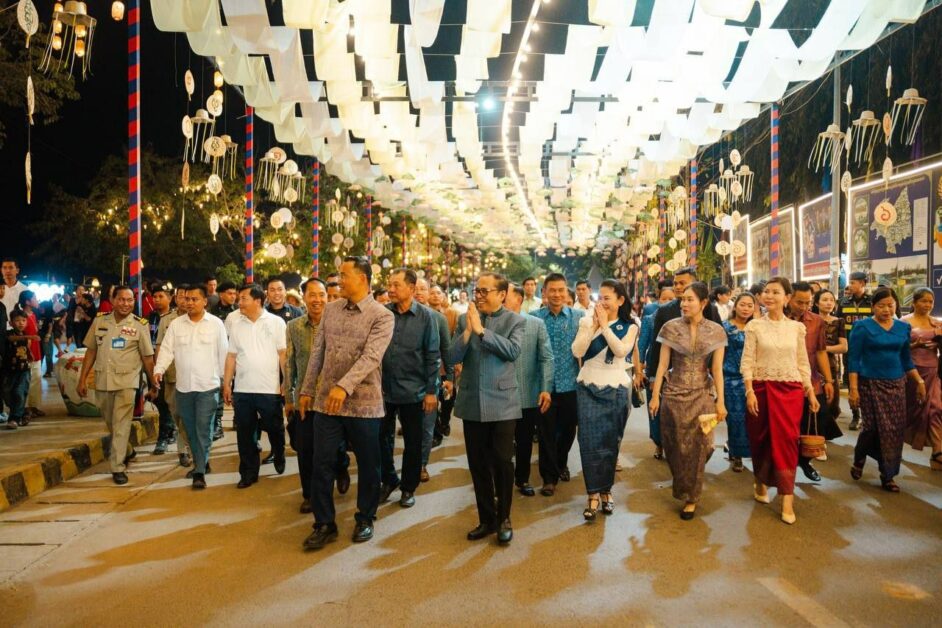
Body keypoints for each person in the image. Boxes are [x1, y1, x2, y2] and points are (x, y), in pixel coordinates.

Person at [297, 258, 393, 549]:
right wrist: (307, 389)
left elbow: (371, 357)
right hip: (327, 403)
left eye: (344, 275)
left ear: (362, 278)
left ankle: (365, 517)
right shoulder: (331, 309)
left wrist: (343, 386)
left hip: (364, 404)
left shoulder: (382, 315)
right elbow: (318, 351)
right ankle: (324, 523)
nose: (339, 280)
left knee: (368, 464)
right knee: (321, 462)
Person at [450, 272, 525, 545]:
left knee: (503, 462)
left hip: (503, 403)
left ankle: (504, 517)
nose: (479, 296)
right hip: (472, 401)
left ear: (502, 294)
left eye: (485, 291)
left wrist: (482, 331)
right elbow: (452, 356)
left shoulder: (515, 321)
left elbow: (512, 351)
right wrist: (468, 331)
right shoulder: (464, 320)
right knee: (478, 463)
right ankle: (487, 518)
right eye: (477, 291)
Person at [741, 277, 818, 524]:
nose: (769, 296)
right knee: (760, 438)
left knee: (787, 441)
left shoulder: (797, 328)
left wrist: (809, 390)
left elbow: (802, 362)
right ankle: (760, 481)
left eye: (776, 292)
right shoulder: (754, 326)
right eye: (766, 291)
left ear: (786, 298)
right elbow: (748, 361)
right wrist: (749, 391)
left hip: (790, 390)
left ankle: (787, 497)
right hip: (761, 388)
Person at [650, 282, 727, 520]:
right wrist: (655, 395)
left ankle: (692, 497)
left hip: (703, 394)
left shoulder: (716, 331)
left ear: (703, 303)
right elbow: (663, 364)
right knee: (675, 447)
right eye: (682, 299)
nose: (684, 303)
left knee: (703, 446)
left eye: (689, 299)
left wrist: (720, 401)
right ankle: (683, 485)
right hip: (673, 394)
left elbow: (717, 369)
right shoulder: (670, 328)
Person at [572, 280, 640, 520]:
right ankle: (592, 494)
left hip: (616, 387)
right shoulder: (585, 321)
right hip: (588, 385)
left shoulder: (630, 326)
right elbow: (578, 351)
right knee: (588, 442)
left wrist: (605, 327)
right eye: (599, 297)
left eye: (607, 298)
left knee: (611, 442)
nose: (601, 302)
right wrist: (593, 327)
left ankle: (606, 491)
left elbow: (621, 351)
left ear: (620, 300)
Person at [76, 287, 157, 485]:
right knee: (111, 423)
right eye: (121, 299)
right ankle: (127, 450)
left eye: (130, 300)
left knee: (121, 423)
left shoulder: (140, 325)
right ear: (112, 300)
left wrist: (153, 383)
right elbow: (91, 352)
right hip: (103, 381)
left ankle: (117, 467)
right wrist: (82, 379)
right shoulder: (100, 321)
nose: (126, 304)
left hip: (127, 382)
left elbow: (147, 358)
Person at [849, 287, 925, 492]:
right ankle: (860, 457)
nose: (886, 310)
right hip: (869, 384)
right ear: (873, 307)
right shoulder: (862, 327)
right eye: (881, 306)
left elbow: (906, 359)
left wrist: (919, 381)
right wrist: (853, 389)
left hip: (897, 384)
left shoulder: (903, 328)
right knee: (872, 428)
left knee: (894, 431)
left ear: (896, 306)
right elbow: (854, 359)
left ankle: (888, 475)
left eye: (890, 305)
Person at [285, 278, 351, 513]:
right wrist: (289, 398)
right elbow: (290, 364)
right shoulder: (294, 327)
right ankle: (309, 494)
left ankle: (341, 467)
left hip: (333, 399)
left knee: (334, 448)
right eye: (312, 295)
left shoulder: (339, 324)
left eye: (322, 295)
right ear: (303, 298)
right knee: (305, 449)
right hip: (306, 400)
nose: (318, 300)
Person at [153, 285, 228, 489]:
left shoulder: (216, 324)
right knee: (189, 429)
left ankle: (199, 472)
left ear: (205, 301)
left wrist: (226, 383)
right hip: (184, 388)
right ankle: (202, 461)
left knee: (203, 428)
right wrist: (159, 370)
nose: (190, 303)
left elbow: (223, 354)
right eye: (187, 299)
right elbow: (167, 349)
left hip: (208, 387)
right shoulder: (176, 325)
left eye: (194, 299)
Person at [378, 268, 440, 508]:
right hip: (383, 390)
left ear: (411, 288)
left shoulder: (426, 317)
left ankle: (408, 487)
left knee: (413, 443)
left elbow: (432, 355)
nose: (391, 289)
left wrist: (431, 391)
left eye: (396, 285)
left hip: (414, 391)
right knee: (380, 439)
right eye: (390, 284)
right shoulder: (383, 314)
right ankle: (388, 480)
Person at [223, 284, 288, 489]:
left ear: (257, 301)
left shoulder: (276, 323)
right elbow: (231, 356)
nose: (239, 302)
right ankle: (249, 473)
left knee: (275, 428)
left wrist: (286, 381)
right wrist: (227, 384)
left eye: (243, 298)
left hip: (269, 389)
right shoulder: (236, 324)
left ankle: (279, 452)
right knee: (245, 434)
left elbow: (283, 354)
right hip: (243, 389)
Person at [531, 273, 584, 491]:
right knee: (546, 433)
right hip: (544, 387)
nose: (557, 294)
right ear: (543, 292)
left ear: (566, 291)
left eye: (561, 290)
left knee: (568, 431)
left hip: (570, 384)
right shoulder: (533, 318)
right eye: (552, 290)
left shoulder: (579, 317)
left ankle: (561, 463)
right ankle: (549, 478)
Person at [504, 283, 553, 497]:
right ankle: (500, 480)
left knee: (524, 441)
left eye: (505, 295)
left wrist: (545, 388)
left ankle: (522, 478)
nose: (501, 298)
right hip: (497, 396)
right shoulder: (489, 323)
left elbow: (546, 357)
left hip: (526, 392)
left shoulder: (535, 324)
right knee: (500, 442)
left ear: (519, 299)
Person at [787, 282, 839, 483]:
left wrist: (829, 380)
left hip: (812, 381)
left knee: (816, 421)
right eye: (799, 302)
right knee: (788, 427)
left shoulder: (816, 321)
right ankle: (786, 466)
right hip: (785, 381)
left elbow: (820, 352)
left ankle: (804, 461)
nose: (803, 306)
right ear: (789, 298)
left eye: (807, 302)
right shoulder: (778, 320)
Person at [901, 288, 942, 470]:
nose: (927, 305)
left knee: (935, 409)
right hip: (912, 371)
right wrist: (914, 345)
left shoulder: (936, 322)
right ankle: (895, 444)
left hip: (933, 370)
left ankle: (937, 452)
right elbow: (899, 348)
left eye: (930, 301)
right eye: (923, 301)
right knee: (912, 411)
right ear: (914, 302)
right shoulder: (904, 322)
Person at [414, 278, 454, 463]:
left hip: (431, 378)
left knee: (428, 424)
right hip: (405, 380)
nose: (418, 292)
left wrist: (450, 377)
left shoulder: (439, 318)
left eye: (423, 289)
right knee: (411, 426)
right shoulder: (395, 316)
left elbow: (446, 350)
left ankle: (422, 464)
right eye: (415, 288)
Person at [155, 286, 193, 467]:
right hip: (171, 375)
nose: (185, 301)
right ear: (175, 299)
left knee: (187, 414)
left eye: (188, 297)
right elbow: (160, 347)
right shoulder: (166, 320)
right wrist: (158, 370)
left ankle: (183, 450)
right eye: (181, 297)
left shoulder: (200, 319)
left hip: (192, 375)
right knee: (176, 413)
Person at [638, 281, 675, 459]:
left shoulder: (683, 320)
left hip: (677, 371)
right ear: (658, 300)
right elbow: (642, 345)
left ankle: (673, 445)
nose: (667, 302)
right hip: (654, 368)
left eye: (671, 299)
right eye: (664, 299)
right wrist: (640, 370)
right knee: (656, 409)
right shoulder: (649, 319)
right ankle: (658, 443)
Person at [723, 292, 757, 472]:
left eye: (750, 305)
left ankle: (751, 451)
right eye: (742, 305)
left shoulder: (757, 327)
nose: (746, 309)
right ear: (735, 306)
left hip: (752, 378)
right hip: (731, 379)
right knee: (735, 418)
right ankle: (736, 454)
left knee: (752, 418)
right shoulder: (725, 327)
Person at [838, 271, 873, 430]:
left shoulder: (872, 302)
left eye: (853, 282)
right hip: (850, 348)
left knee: (867, 380)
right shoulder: (843, 303)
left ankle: (868, 415)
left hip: (869, 348)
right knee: (851, 380)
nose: (850, 285)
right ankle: (855, 415)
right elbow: (839, 325)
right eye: (850, 282)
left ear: (862, 283)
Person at [148, 285, 178, 456]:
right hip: (152, 364)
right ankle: (169, 430)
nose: (157, 300)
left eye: (161, 296)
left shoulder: (174, 318)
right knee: (160, 401)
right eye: (155, 297)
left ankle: (164, 436)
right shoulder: (151, 317)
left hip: (169, 366)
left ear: (170, 298)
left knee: (168, 402)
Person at [815, 289, 847, 429]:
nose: (829, 303)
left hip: (831, 365)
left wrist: (823, 349)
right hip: (812, 365)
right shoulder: (810, 320)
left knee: (831, 401)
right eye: (825, 300)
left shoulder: (838, 321)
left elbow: (844, 347)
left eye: (831, 300)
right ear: (816, 303)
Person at [3, 311, 35, 429]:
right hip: (10, 370)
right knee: (7, 393)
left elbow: (27, 349)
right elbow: (11, 339)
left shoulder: (26, 337)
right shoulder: (9, 334)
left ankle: (14, 418)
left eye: (23, 320)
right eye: (17, 320)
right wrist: (28, 337)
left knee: (19, 392)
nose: (21, 323)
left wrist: (30, 355)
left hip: (24, 370)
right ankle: (22, 412)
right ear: (11, 323)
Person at [16, 291, 45, 419]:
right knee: (27, 381)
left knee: (36, 380)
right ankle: (26, 408)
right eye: (34, 298)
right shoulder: (21, 317)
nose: (37, 300)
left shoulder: (33, 314)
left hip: (36, 352)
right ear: (27, 301)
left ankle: (34, 406)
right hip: (27, 353)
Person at [0, 257, 26, 327]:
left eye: (11, 267)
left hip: (16, 329)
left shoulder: (24, 290)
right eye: (4, 268)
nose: (7, 271)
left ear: (17, 270)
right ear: (1, 270)